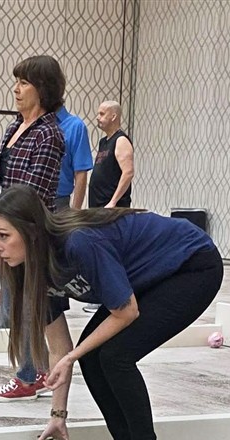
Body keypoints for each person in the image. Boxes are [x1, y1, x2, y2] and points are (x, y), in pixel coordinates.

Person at [0, 184, 223, 440]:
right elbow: (60, 350)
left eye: (3, 236)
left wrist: (74, 355)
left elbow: (126, 312)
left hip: (191, 264)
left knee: (115, 356)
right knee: (92, 357)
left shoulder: (79, 243)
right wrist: (58, 417)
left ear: (31, 232)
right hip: (147, 275)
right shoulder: (31, 269)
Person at [0, 55, 65, 401]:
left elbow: (34, 194)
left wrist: (8, 233)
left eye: (24, 83)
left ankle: (29, 376)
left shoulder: (49, 134)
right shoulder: (12, 128)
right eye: (16, 82)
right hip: (8, 231)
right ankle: (35, 372)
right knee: (16, 303)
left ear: (42, 88)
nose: (16, 89)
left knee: (29, 304)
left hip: (29, 235)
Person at [84, 100, 135, 313]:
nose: (98, 117)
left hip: (112, 211)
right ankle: (102, 297)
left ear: (114, 116)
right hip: (98, 209)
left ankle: (114, 299)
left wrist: (113, 201)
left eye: (102, 114)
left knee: (109, 254)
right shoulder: (104, 142)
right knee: (99, 251)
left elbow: (128, 172)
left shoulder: (121, 141)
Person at [55, 105, 93, 210]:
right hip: (28, 200)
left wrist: (75, 212)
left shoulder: (75, 126)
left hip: (58, 201)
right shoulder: (32, 124)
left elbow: (81, 172)